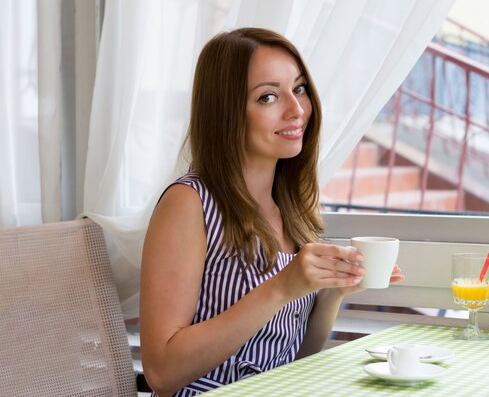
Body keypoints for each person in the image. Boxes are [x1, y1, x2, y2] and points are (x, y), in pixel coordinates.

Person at [139, 27, 404, 397]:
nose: (296, 110)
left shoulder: (292, 207)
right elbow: (161, 373)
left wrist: (332, 292)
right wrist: (281, 287)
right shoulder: (188, 204)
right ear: (226, 112)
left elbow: (294, 358)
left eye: (298, 89)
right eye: (267, 97)